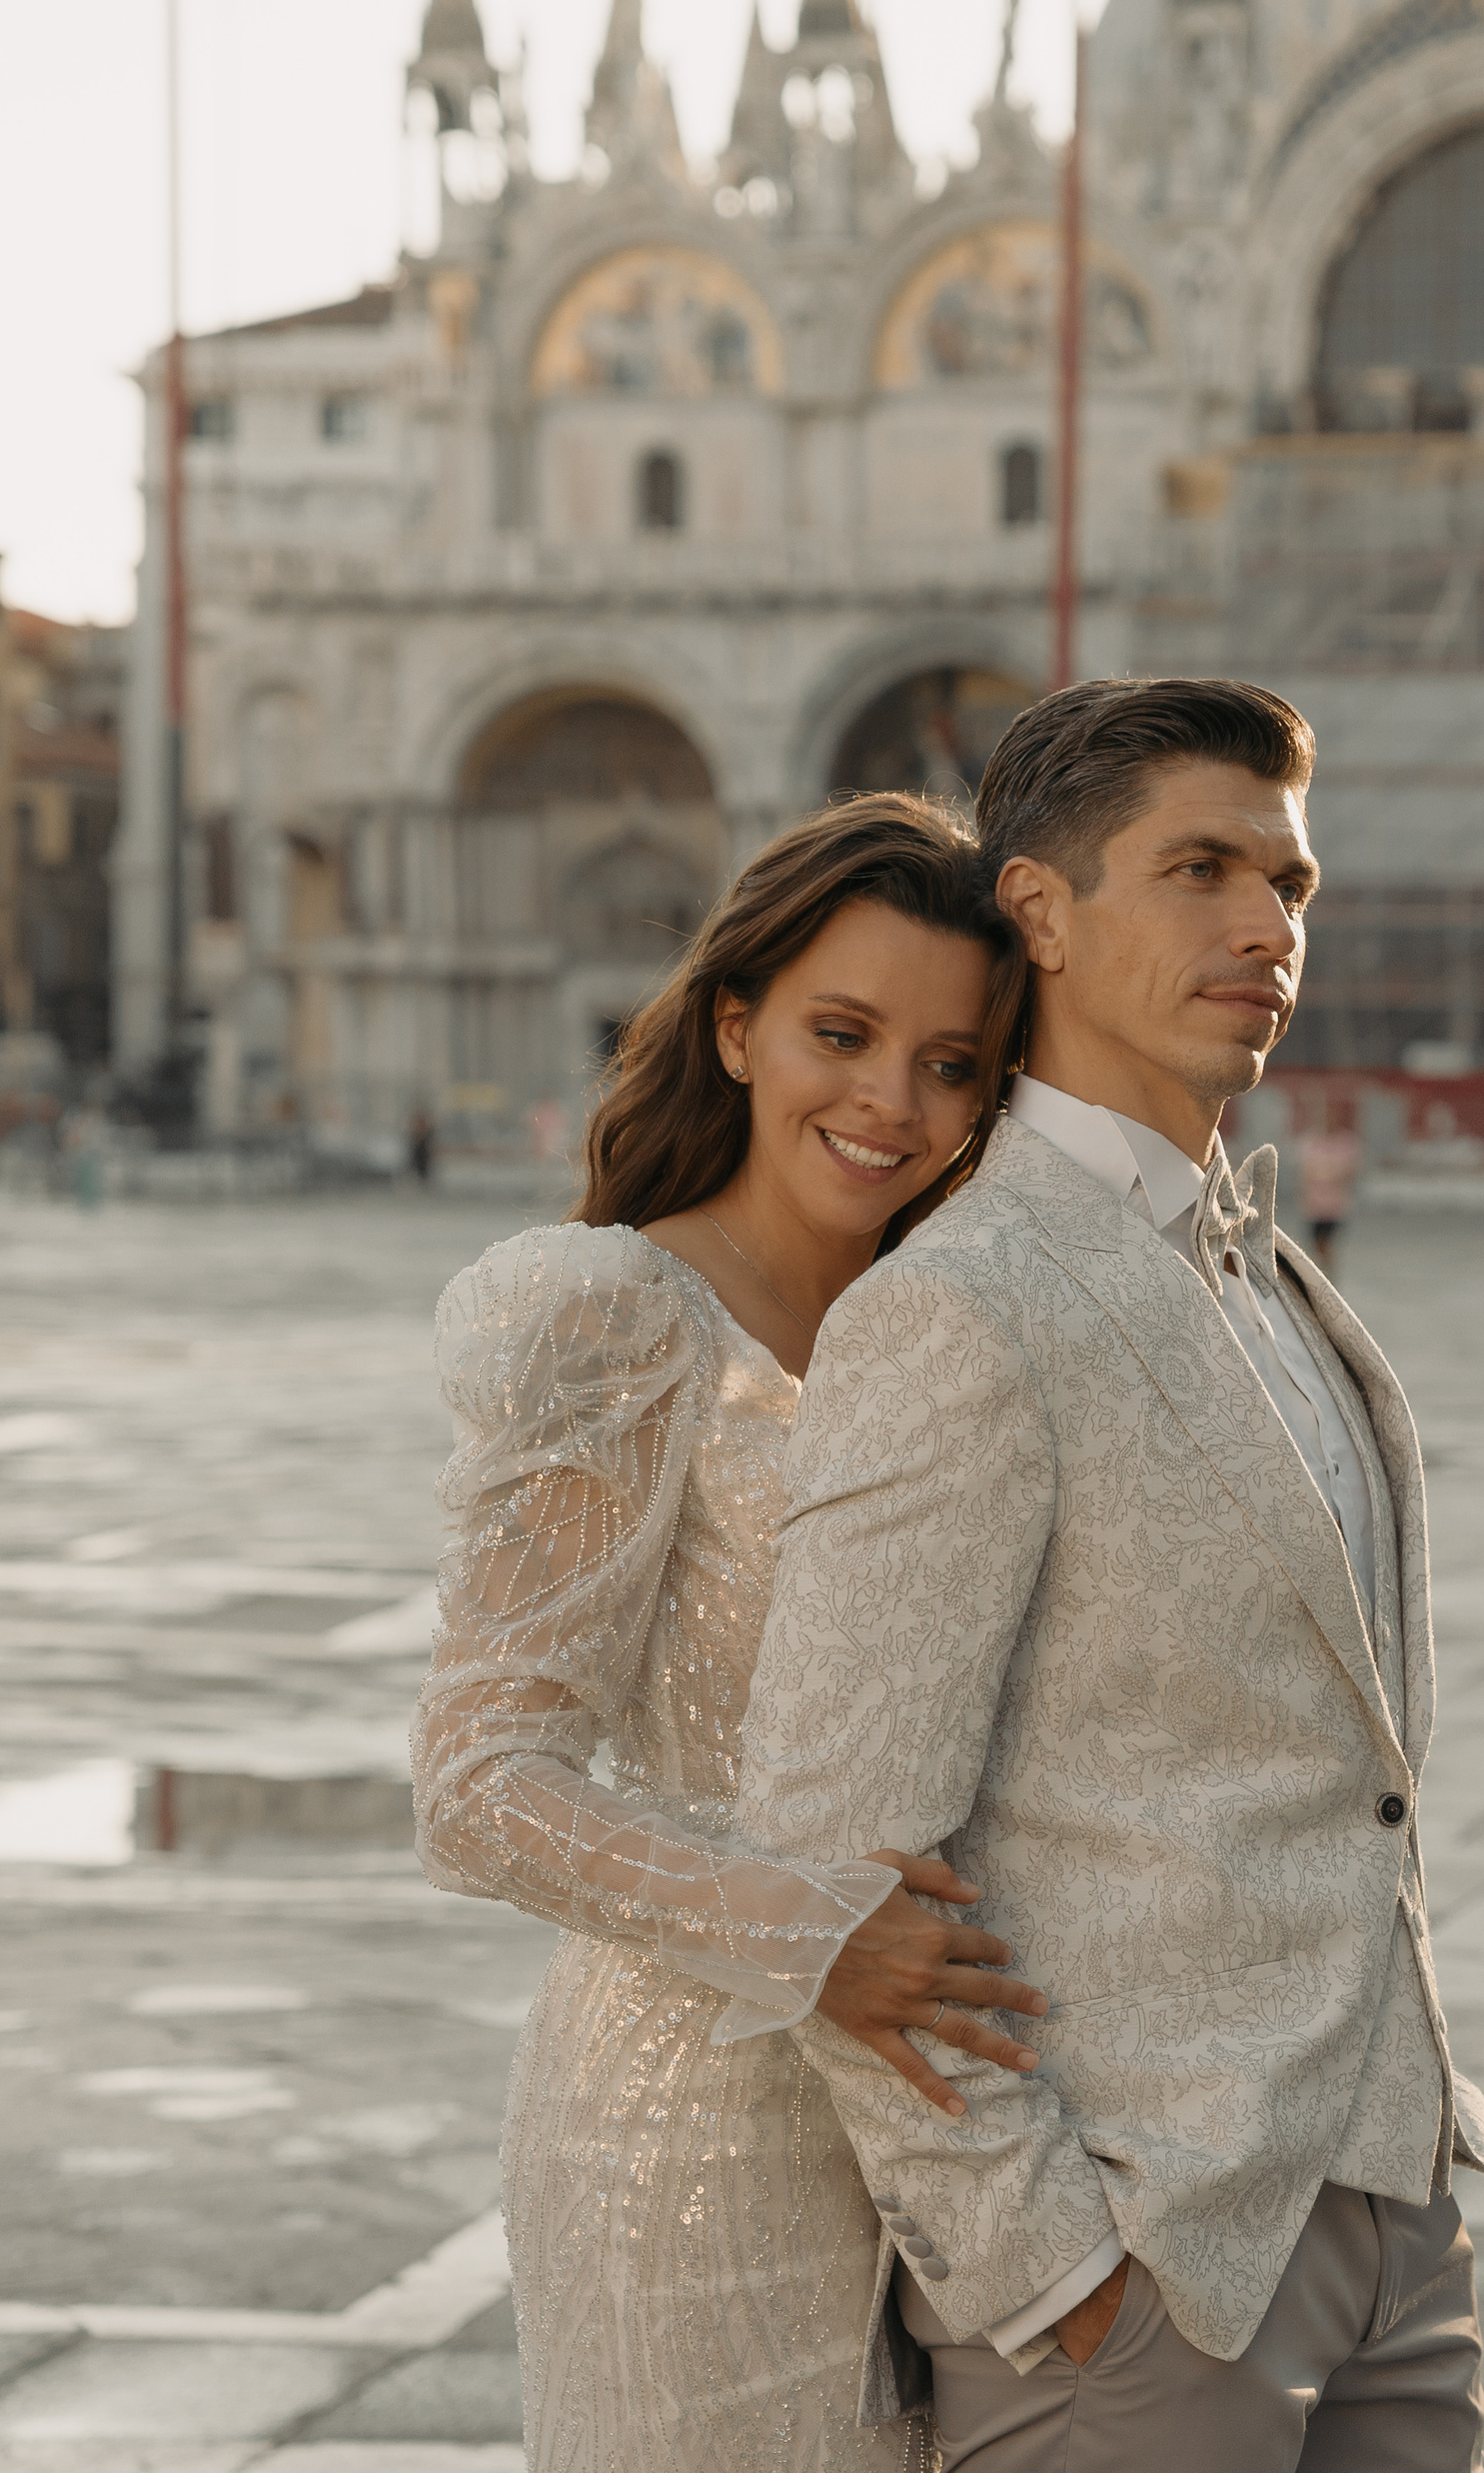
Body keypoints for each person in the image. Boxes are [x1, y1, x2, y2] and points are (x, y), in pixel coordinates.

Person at [734, 679, 1484, 2472]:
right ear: (1040, 909)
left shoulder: (1283, 1278)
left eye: (1291, 884)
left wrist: (1407, 2185)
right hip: (1139, 2280)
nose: (1267, 926)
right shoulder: (960, 1307)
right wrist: (1053, 2270)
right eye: (1201, 870)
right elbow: (826, 1857)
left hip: (1394, 2216)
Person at [410, 798, 1052, 2472]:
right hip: (693, 2122)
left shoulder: (967, 1324)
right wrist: (812, 1933)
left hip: (983, 2127)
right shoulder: (621, 1317)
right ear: (737, 1026)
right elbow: (478, 1782)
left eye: (952, 1064)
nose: (891, 1101)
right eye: (844, 1034)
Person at [1296, 1097, 1362, 1275]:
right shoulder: (1310, 1140)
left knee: (1327, 1242)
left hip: (1336, 1205)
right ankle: (1323, 1272)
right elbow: (1305, 1169)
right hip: (1314, 1204)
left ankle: (1327, 1273)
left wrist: (1329, 1173)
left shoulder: (1346, 1142)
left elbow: (1351, 1171)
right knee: (1315, 1243)